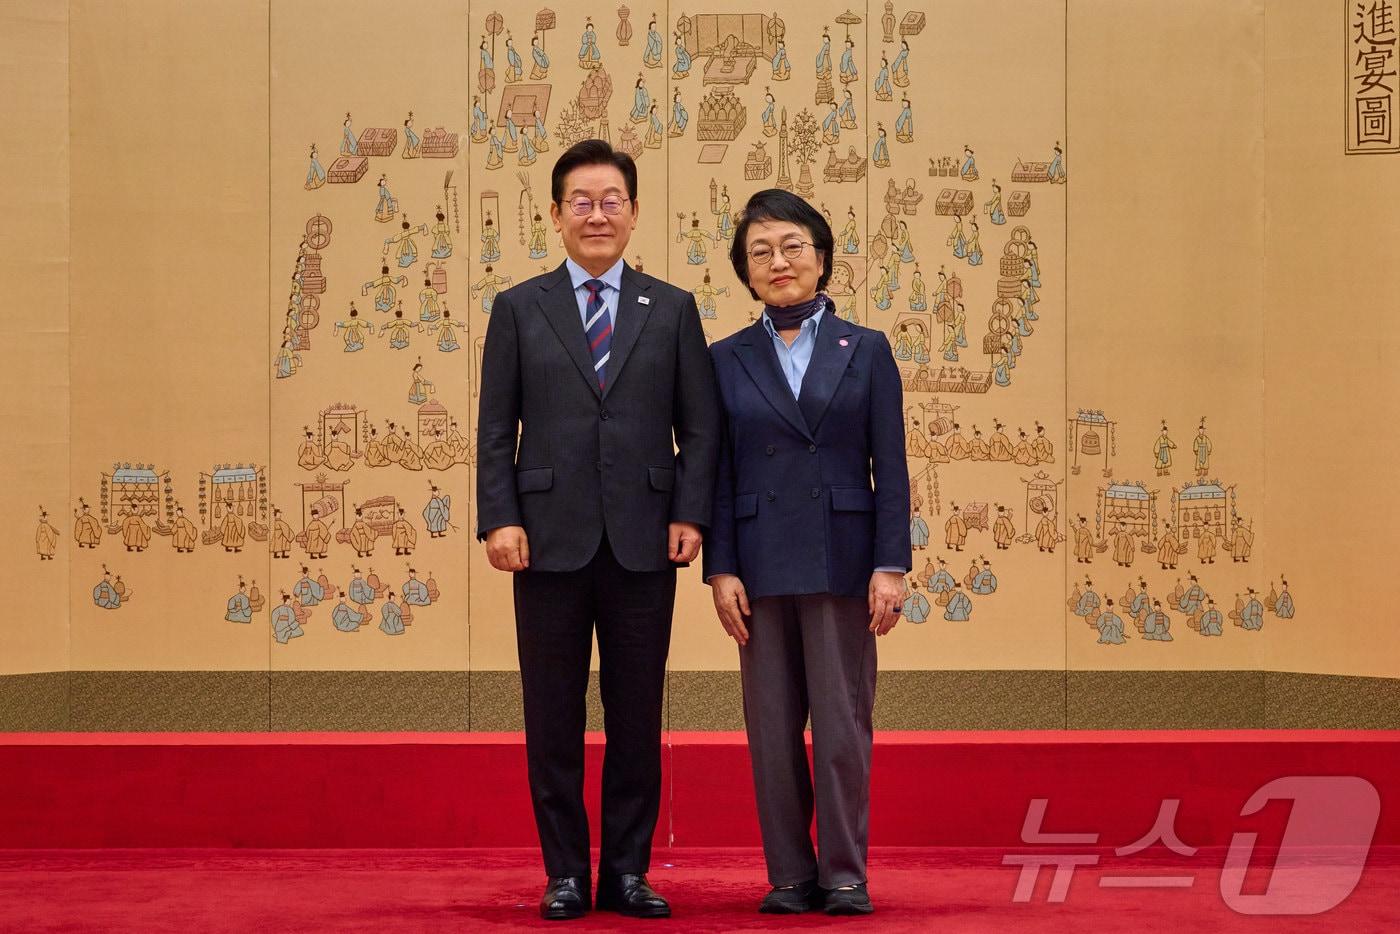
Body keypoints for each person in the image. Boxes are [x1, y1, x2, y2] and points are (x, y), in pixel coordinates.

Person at [476, 139, 720, 921]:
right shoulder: (519, 308)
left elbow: (702, 429)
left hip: (646, 540)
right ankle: (564, 874)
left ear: (635, 212)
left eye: (612, 199)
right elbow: (492, 431)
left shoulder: (673, 308)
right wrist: (499, 518)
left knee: (637, 712)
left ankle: (626, 871)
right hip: (545, 540)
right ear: (555, 215)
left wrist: (689, 511)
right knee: (552, 713)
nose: (597, 214)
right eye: (580, 201)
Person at [705, 188, 910, 917]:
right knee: (770, 730)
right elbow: (717, 472)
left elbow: (891, 463)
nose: (778, 262)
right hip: (757, 564)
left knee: (843, 726)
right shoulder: (725, 357)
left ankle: (845, 873)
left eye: (792, 246)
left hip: (844, 560)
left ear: (821, 257)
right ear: (745, 271)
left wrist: (891, 564)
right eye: (760, 252)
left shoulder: (868, 348)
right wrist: (720, 567)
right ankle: (790, 875)